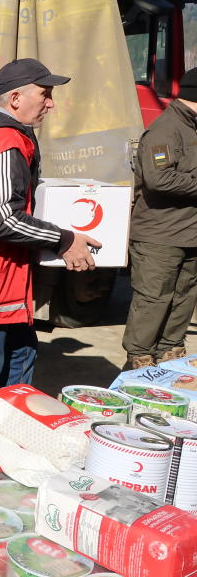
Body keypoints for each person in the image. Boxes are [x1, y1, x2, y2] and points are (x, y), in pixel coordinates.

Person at [0, 58, 100, 453]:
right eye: (45, 94)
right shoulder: (5, 142)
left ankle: (3, 439)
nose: (51, 104)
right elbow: (3, 219)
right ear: (15, 98)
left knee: (23, 351)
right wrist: (63, 239)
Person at [122, 67, 197, 370]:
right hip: (159, 238)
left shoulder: (191, 128)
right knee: (153, 300)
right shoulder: (166, 129)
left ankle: (170, 355)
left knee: (183, 299)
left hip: (188, 234)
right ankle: (138, 364)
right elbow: (159, 179)